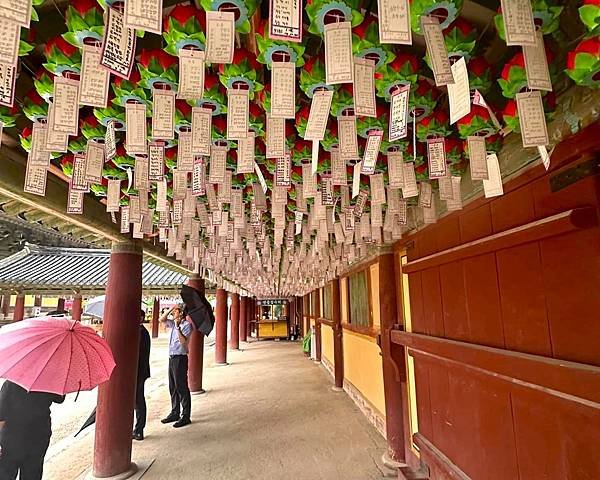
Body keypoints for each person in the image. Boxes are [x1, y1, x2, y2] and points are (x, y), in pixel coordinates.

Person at [0, 380, 65, 480]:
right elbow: (59, 398)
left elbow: (1, 416)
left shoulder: (11, 383)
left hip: (12, 439)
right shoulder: (49, 381)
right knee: (33, 473)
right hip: (39, 437)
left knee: (6, 474)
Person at [159, 304, 193, 428]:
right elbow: (161, 319)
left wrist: (178, 326)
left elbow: (184, 343)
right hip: (172, 358)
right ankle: (175, 412)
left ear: (182, 313)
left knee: (181, 386)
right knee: (172, 386)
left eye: (176, 311)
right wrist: (170, 309)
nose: (174, 313)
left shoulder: (187, 326)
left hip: (180, 358)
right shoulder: (172, 323)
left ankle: (185, 415)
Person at [133, 309, 151, 441]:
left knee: (138, 400)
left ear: (141, 318)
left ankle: (139, 429)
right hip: (138, 370)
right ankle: (137, 428)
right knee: (136, 401)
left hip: (139, 370)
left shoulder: (142, 333)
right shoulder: (138, 332)